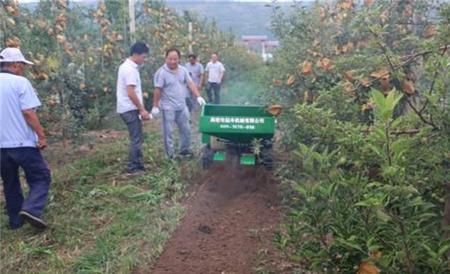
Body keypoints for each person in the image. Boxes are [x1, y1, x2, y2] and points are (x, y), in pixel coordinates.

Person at [0, 47, 51, 229]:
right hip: (22, 143)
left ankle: (15, 222)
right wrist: (41, 136)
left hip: (1, 147)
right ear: (15, 64)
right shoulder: (20, 83)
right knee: (41, 177)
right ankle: (32, 209)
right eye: (23, 65)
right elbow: (28, 112)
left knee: (10, 182)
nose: (24, 69)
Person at [152, 48, 206, 159]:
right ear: (166, 58)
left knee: (186, 129)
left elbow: (190, 83)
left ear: (179, 59)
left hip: (181, 106)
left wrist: (198, 96)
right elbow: (157, 90)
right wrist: (155, 106)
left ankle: (184, 150)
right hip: (168, 108)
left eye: (175, 59)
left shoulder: (183, 70)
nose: (172, 61)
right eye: (170, 59)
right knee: (168, 132)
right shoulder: (161, 73)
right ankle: (170, 155)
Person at [116, 42, 150, 175]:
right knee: (136, 138)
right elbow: (131, 92)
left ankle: (138, 164)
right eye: (143, 56)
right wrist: (142, 109)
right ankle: (134, 167)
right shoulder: (130, 70)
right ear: (136, 55)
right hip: (129, 109)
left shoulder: (126, 66)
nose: (144, 59)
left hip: (126, 108)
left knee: (137, 137)